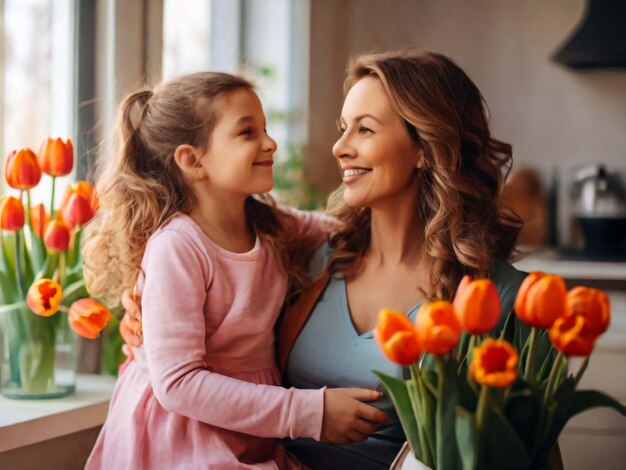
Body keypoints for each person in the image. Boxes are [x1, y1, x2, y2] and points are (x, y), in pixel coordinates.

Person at [121, 51, 528, 469]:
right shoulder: (311, 260)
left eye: (364, 129)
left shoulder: (495, 299)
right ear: (191, 160)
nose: (339, 148)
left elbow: (526, 450)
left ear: (426, 147)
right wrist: (146, 314)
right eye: (342, 129)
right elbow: (188, 362)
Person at [81, 71, 387, 469]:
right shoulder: (177, 246)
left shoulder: (268, 223)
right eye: (247, 133)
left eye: (265, 129)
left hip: (249, 427)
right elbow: (178, 384)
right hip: (183, 435)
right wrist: (311, 412)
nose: (270, 143)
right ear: (193, 160)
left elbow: (339, 229)